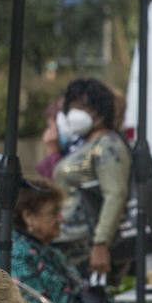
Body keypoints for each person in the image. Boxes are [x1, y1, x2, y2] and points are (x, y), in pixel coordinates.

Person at [52, 78, 132, 278]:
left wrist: (101, 243)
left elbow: (115, 194)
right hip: (70, 244)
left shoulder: (108, 145)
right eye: (70, 108)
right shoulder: (87, 143)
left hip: (86, 249)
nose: (71, 114)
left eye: (79, 107)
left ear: (98, 111)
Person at [0, 177, 85, 303]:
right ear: (28, 217)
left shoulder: (47, 251)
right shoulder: (16, 254)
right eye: (54, 213)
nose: (61, 219)